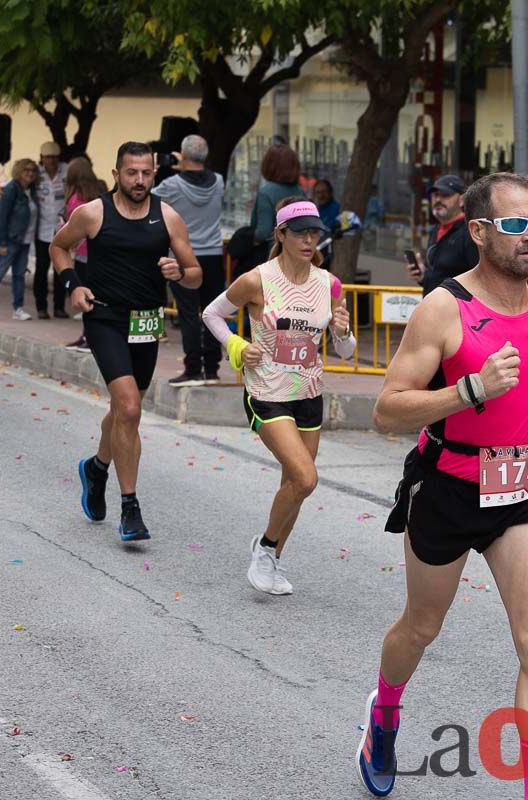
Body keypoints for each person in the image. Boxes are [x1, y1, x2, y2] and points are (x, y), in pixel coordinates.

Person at [356, 172, 528, 798]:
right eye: (516, 226)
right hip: (451, 486)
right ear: (481, 232)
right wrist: (469, 391)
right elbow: (387, 410)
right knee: (421, 627)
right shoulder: (444, 308)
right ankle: (384, 715)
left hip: (524, 483)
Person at [201, 198, 356, 594]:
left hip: (308, 392)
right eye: (300, 232)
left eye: (315, 232)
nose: (309, 240)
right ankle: (266, 548)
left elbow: (346, 351)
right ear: (281, 235)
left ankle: (272, 561)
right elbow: (211, 314)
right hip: (267, 391)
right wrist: (237, 346)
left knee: (295, 483)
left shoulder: (329, 284)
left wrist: (341, 330)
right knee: (306, 478)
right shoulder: (257, 280)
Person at [50, 141, 202, 542]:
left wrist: (178, 272)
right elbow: (59, 247)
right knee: (130, 408)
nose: (139, 181)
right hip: (105, 317)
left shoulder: (167, 217)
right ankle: (130, 508)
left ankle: (97, 468)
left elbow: (195, 273)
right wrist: (73, 285)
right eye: (131, 173)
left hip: (146, 321)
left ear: (156, 174)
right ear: (116, 174)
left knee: (123, 410)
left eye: (147, 173)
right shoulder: (93, 213)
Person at [152, 135, 227, 386]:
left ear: (182, 155)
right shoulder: (218, 181)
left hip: (184, 256)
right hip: (214, 254)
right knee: (213, 312)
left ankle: (193, 368)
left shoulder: (172, 184)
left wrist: (170, 169)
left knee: (188, 314)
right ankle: (213, 368)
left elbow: (147, 197)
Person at [0, 159, 39, 320]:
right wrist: (2, 242)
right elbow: (1, 218)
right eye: (26, 170)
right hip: (11, 240)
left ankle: (18, 309)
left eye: (33, 170)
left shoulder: (33, 191)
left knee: (19, 275)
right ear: (19, 171)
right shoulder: (11, 189)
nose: (30, 173)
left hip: (25, 241)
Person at [61, 156, 108, 352]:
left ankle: (90, 338)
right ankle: (86, 336)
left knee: (86, 296)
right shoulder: (101, 188)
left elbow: (74, 224)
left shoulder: (75, 196)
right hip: (101, 249)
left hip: (82, 250)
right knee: (94, 295)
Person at [406, 174, 479, 296]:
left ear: (462, 200)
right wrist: (423, 277)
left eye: (445, 195)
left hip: (459, 310)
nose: (438, 200)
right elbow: (440, 275)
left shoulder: (470, 231)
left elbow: (480, 278)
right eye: (435, 195)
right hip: (435, 307)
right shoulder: (435, 230)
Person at [245, 143, 303, 276]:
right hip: (296, 259)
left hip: (272, 259)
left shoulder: (266, 193)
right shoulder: (300, 191)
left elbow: (263, 232)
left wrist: (246, 237)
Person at [34, 141, 69, 319]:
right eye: (48, 157)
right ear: (42, 158)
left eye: (54, 157)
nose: (52, 161)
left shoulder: (66, 170)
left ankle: (59, 307)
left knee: (60, 270)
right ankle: (41, 307)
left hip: (62, 229)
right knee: (41, 270)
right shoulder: (36, 173)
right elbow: (17, 182)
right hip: (42, 229)